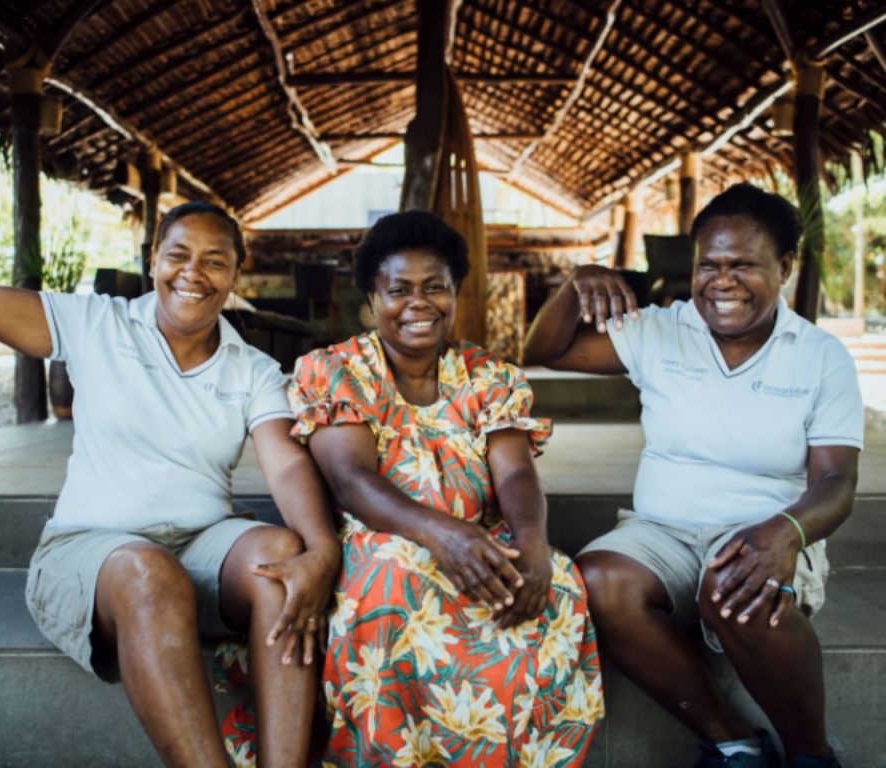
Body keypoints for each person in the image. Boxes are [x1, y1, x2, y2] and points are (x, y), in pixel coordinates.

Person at [0, 201, 341, 768]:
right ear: (152, 260)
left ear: (236, 273)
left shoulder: (252, 368)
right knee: (147, 570)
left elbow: (284, 464)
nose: (194, 273)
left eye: (215, 261)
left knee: (282, 555)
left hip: (199, 546)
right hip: (91, 552)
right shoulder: (96, 323)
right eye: (178, 255)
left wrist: (322, 550)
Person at [523, 183, 863, 768]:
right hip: (663, 532)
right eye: (709, 265)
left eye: (743, 266)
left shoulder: (818, 355)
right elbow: (545, 350)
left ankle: (811, 756)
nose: (721, 282)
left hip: (766, 528)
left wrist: (785, 532)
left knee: (736, 588)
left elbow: (835, 483)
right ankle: (734, 743)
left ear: (784, 267)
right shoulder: (660, 330)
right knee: (598, 582)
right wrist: (577, 280)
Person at [284, 210, 604, 766]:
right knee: (395, 580)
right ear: (371, 297)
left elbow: (517, 472)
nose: (418, 304)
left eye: (435, 287)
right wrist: (443, 535)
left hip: (477, 535)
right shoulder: (337, 370)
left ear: (456, 292)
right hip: (381, 538)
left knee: (558, 581)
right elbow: (351, 480)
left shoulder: (489, 376)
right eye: (398, 289)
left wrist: (530, 541)